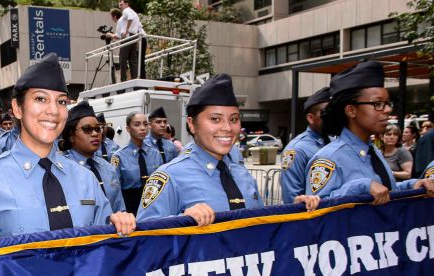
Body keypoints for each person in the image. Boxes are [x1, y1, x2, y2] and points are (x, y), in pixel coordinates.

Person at [0, 53, 136, 253]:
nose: (54, 111)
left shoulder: (86, 179)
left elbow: (103, 247)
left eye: (62, 102)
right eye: (40, 98)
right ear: (17, 108)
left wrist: (117, 225)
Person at [138, 74, 319, 224]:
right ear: (191, 124)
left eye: (233, 119)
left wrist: (294, 210)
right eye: (215, 119)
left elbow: (261, 227)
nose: (227, 128)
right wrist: (181, 222)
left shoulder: (242, 175)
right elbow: (144, 242)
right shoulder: (169, 178)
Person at [307, 61, 434, 202]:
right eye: (377, 104)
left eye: (387, 103)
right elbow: (318, 211)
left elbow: (385, 191)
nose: (387, 110)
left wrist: (413, 184)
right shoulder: (329, 158)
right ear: (351, 110)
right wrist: (361, 187)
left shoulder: (373, 151)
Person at [60, 101, 126, 212]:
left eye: (98, 128)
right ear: (71, 136)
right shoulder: (63, 170)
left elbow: (119, 208)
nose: (95, 134)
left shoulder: (107, 168)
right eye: (87, 129)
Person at [279, 87, 330, 204]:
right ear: (311, 118)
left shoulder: (333, 142)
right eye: (326, 113)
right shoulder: (297, 149)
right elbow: (291, 198)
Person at [111, 112, 162, 214]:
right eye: (137, 124)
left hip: (154, 207)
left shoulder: (155, 154)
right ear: (128, 129)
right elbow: (115, 190)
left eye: (145, 124)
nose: (143, 128)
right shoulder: (119, 156)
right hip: (130, 207)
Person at [114, 0, 144, 81]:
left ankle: (123, 80)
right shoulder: (134, 13)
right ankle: (135, 78)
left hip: (128, 37)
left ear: (126, 4)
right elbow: (139, 26)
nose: (120, 6)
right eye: (119, 5)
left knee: (122, 59)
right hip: (134, 37)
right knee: (132, 60)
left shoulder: (126, 11)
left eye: (121, 4)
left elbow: (130, 19)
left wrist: (126, 30)